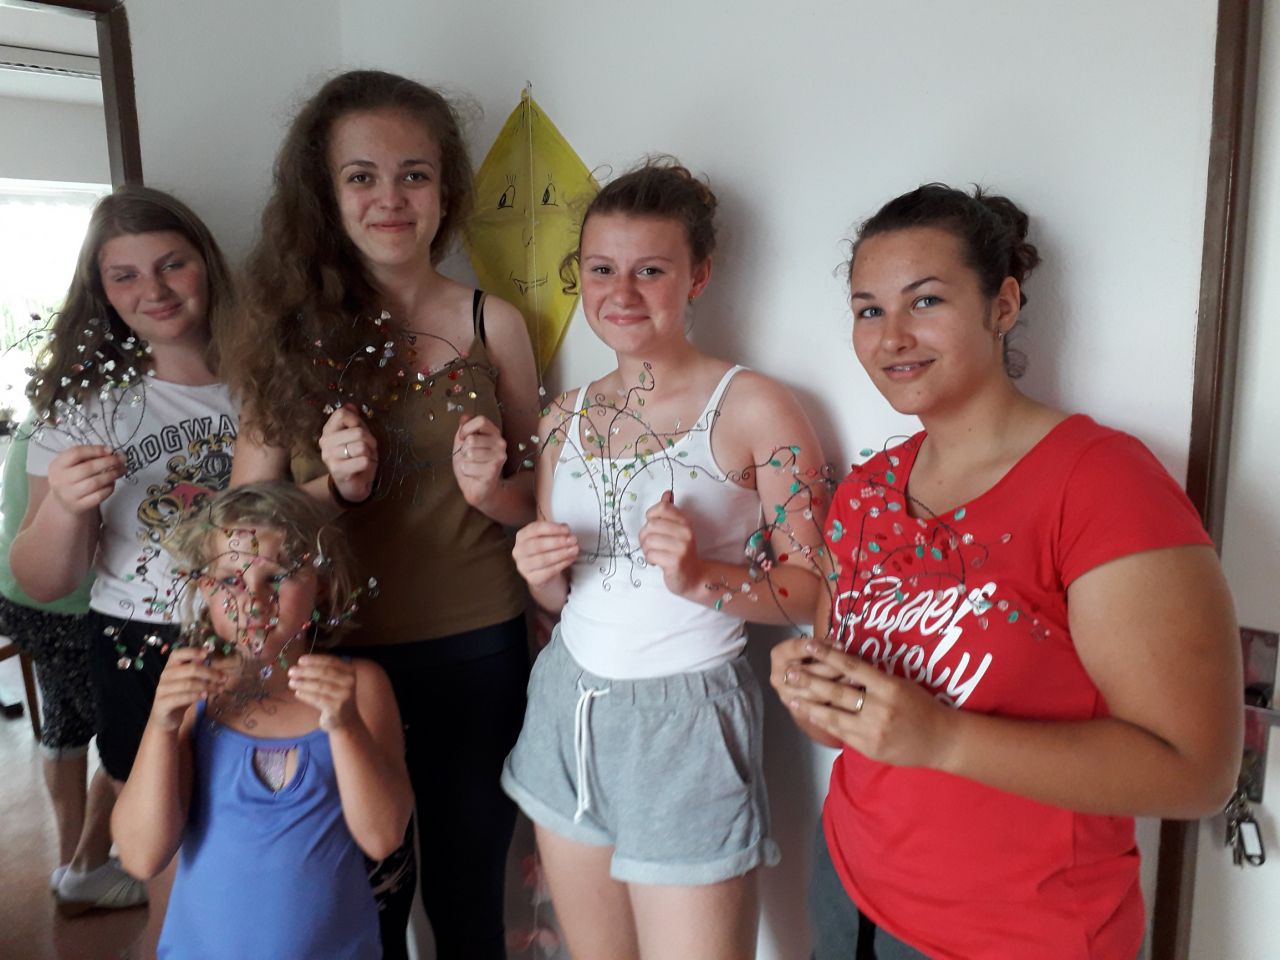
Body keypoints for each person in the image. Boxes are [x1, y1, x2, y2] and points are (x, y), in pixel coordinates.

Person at [770, 184, 1242, 960]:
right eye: (868, 310)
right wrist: (811, 693)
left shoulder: (1101, 483)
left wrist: (944, 739)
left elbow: (1197, 773)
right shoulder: (867, 491)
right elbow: (848, 714)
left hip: (1020, 933)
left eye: (925, 300)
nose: (892, 336)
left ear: (1004, 305)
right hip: (848, 889)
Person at [226, 69, 538, 959]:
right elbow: (239, 530)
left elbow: (539, 501)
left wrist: (495, 492)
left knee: (471, 899)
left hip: (479, 647)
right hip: (334, 658)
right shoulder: (287, 335)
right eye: (361, 176)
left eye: (415, 174)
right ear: (325, 195)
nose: (391, 198)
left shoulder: (493, 323)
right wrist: (335, 492)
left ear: (446, 190)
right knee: (364, 905)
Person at [503, 157, 828, 960]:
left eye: (650, 270)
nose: (622, 292)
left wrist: (697, 578)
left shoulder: (755, 407)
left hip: (687, 726)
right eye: (601, 269)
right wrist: (540, 573)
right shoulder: (563, 416)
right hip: (566, 709)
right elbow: (562, 596)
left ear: (698, 276)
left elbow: (812, 591)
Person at [10, 185, 239, 916]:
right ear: (102, 292)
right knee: (160, 852)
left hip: (254, 634)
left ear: (206, 263)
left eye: (172, 264)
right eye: (126, 275)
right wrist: (66, 507)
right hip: (138, 643)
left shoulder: (264, 381)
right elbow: (43, 580)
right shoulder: (83, 406)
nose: (155, 290)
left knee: (248, 830)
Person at [111, 482, 412, 959]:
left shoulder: (359, 687)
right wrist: (161, 725)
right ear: (203, 588)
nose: (253, 601)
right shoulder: (195, 696)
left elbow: (383, 837)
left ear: (320, 584)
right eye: (231, 579)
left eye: (277, 577)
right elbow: (141, 855)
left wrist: (345, 726)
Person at [0, 419, 116, 910]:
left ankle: (71, 861)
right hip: (71, 606)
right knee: (127, 735)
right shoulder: (92, 421)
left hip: (18, 598)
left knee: (64, 721)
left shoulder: (38, 419)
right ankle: (85, 868)